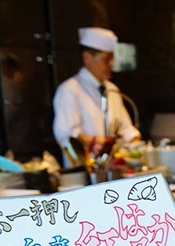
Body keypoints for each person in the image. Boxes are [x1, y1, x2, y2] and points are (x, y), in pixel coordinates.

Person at [52, 27, 140, 164]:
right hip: (85, 171)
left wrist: (136, 145)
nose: (112, 64)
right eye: (106, 59)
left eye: (112, 58)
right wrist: (100, 143)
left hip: (113, 167)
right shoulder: (69, 89)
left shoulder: (112, 89)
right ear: (87, 57)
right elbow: (67, 135)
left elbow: (125, 128)